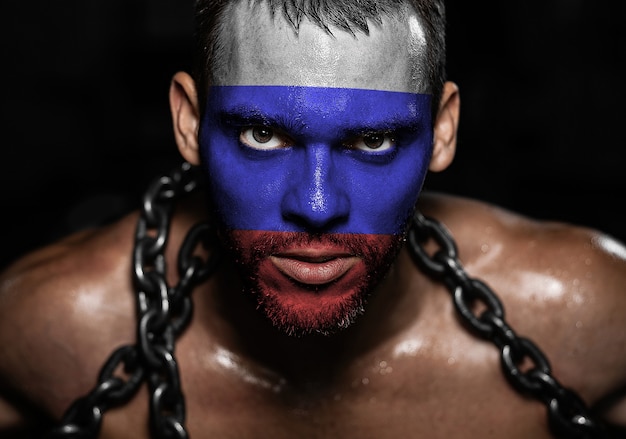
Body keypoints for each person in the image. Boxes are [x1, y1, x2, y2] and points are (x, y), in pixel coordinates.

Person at [1, 0, 625, 438]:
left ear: (442, 131)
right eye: (263, 134)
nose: (318, 206)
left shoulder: (588, 316)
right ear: (189, 121)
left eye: (374, 141)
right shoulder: (53, 328)